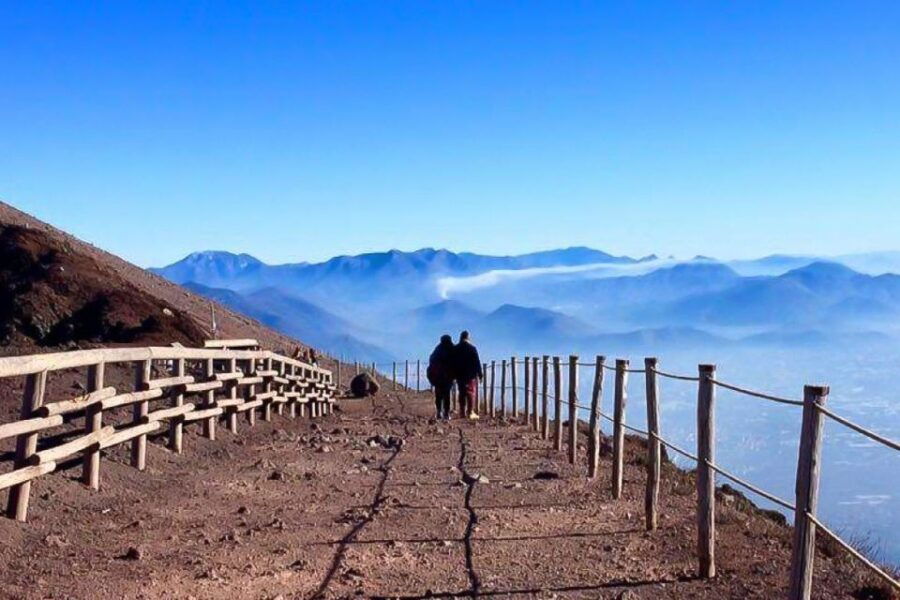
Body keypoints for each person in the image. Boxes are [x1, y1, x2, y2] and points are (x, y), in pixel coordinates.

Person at [453, 330, 483, 420]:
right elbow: (477, 362)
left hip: (459, 375)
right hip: (470, 375)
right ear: (468, 338)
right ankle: (470, 412)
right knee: (470, 393)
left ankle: (462, 412)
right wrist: (480, 374)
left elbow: (452, 362)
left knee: (462, 392)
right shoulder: (472, 348)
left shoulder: (456, 348)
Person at [427, 334, 456, 420]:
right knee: (446, 395)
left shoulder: (437, 349)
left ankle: (439, 412)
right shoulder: (452, 348)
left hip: (437, 377)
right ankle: (446, 414)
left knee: (438, 395)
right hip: (448, 377)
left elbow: (431, 360)